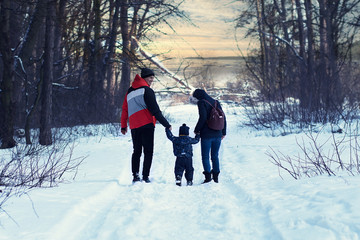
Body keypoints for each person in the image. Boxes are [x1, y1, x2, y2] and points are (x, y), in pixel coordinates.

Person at [121, 68, 172, 183]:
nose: (152, 80)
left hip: (134, 126)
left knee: (136, 151)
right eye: (150, 78)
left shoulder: (129, 91)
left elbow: (125, 109)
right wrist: (166, 124)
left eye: (153, 78)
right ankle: (145, 176)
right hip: (147, 124)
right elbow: (155, 110)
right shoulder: (147, 91)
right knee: (148, 151)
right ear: (144, 78)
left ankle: (135, 175)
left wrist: (124, 125)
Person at [192, 89, 226, 183]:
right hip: (218, 133)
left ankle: (208, 177)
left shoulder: (201, 102)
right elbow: (223, 117)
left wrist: (197, 129)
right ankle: (216, 177)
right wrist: (223, 132)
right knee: (215, 156)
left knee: (205, 156)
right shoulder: (216, 102)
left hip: (207, 134)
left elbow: (203, 117)